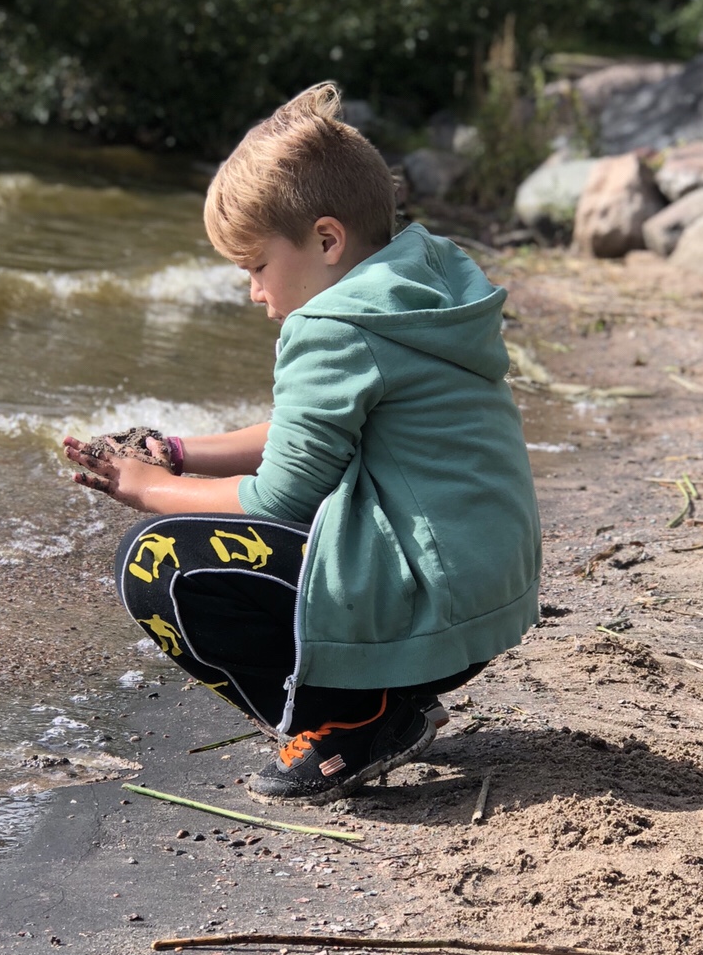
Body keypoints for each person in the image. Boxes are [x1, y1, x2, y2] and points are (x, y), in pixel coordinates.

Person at [63, 83, 541, 804]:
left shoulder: (331, 328)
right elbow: (310, 435)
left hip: (432, 608)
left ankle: (358, 722)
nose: (254, 292)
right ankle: (382, 702)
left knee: (156, 560)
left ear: (325, 241)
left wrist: (149, 489)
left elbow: (282, 496)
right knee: (268, 518)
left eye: (257, 267)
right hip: (485, 591)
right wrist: (183, 455)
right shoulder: (417, 283)